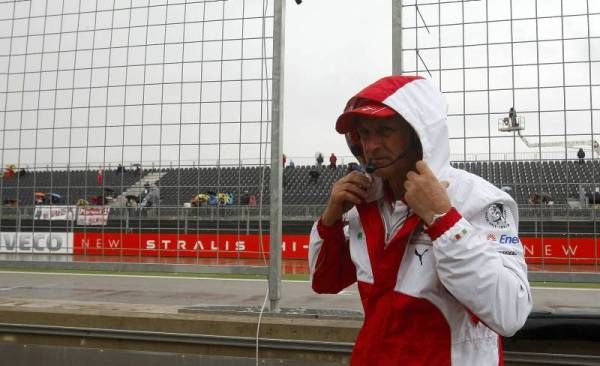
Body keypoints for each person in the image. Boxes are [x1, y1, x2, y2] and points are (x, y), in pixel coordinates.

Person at [308, 75, 532, 365]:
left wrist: (445, 222)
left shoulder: (480, 201)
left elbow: (511, 313)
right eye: (363, 133)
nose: (371, 145)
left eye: (385, 130)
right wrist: (330, 221)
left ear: (419, 133)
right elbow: (324, 282)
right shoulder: (361, 201)